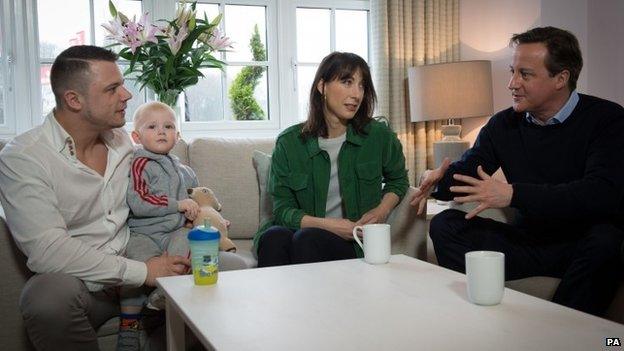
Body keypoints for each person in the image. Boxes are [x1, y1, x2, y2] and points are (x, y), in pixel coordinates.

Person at [0, 46, 243, 351]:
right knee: (45, 298)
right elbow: (46, 250)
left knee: (237, 269)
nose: (127, 95)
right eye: (113, 88)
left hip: (144, 256)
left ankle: (158, 325)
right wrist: (144, 271)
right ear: (74, 100)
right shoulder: (24, 158)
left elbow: (162, 188)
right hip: (87, 284)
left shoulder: (123, 143)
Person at [410, 26, 624, 316]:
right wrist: (437, 179)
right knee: (445, 225)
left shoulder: (608, 120)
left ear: (561, 78)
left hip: (581, 244)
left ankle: (563, 333)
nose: (512, 83)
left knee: (607, 240)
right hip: (528, 242)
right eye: (512, 71)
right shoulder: (504, 124)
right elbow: (467, 173)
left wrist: (513, 194)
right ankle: (479, 313)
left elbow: (600, 193)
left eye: (525, 74)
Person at [254, 52, 409, 267]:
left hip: (351, 241)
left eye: (362, 86)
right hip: (306, 230)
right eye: (347, 82)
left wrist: (381, 211)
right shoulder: (288, 143)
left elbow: (399, 180)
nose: (357, 94)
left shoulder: (378, 136)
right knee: (273, 237)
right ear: (322, 86)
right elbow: (282, 211)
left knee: (306, 239)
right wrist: (329, 225)